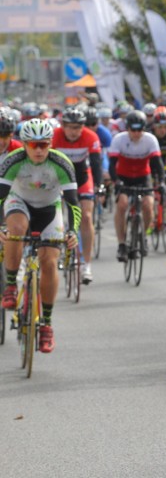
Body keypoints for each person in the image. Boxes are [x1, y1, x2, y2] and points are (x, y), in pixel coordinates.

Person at [0, 119, 80, 354]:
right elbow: (1, 197)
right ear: (24, 144)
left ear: (50, 144)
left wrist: (72, 231)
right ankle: (11, 284)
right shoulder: (13, 161)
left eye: (44, 145)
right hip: (19, 202)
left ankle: (46, 323)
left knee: (49, 261)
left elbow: (73, 202)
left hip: (49, 208)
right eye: (33, 145)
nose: (38, 150)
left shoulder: (61, 163)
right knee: (15, 229)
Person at [52, 108, 102, 284]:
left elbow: (96, 164)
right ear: (63, 126)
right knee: (55, 214)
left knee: (87, 217)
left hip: (81, 177)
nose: (74, 131)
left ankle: (86, 264)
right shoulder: (54, 136)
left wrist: (100, 185)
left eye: (78, 127)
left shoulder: (90, 136)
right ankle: (57, 249)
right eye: (70, 127)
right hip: (58, 178)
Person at [108, 110, 165, 262]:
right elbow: (112, 166)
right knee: (122, 204)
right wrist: (116, 181)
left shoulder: (150, 140)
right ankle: (121, 244)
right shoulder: (119, 139)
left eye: (140, 129)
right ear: (127, 129)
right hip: (123, 178)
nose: (136, 133)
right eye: (133, 129)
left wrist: (162, 183)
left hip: (142, 177)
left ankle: (142, 235)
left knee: (148, 204)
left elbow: (158, 164)